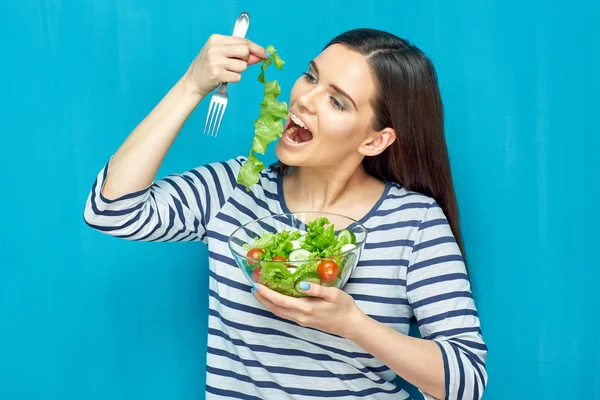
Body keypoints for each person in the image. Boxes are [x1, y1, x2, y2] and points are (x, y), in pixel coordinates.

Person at [84, 28, 487, 400]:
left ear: (374, 139)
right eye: (310, 77)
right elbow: (111, 210)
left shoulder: (414, 222)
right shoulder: (236, 189)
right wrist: (193, 85)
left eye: (336, 101)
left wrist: (353, 325)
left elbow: (466, 382)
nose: (304, 100)